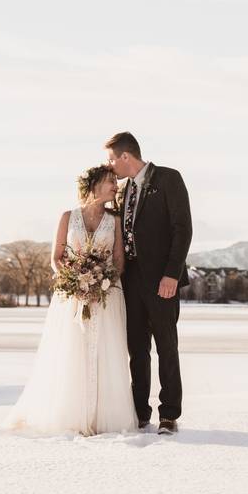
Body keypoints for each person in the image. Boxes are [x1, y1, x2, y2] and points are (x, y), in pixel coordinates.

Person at [5, 164, 137, 436]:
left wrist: (100, 281)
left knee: (105, 352)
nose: (115, 186)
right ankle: (70, 415)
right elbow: (56, 257)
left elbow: (119, 262)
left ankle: (103, 418)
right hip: (72, 297)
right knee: (70, 352)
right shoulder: (67, 216)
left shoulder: (114, 220)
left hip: (105, 297)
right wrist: (75, 281)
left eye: (116, 181)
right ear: (94, 186)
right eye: (110, 181)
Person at [105, 132, 192, 435]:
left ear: (125, 156)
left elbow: (182, 229)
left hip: (161, 280)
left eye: (111, 159)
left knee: (167, 346)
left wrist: (172, 273)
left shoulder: (169, 179)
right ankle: (139, 412)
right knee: (137, 349)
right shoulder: (123, 190)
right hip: (130, 281)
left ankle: (169, 414)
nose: (110, 165)